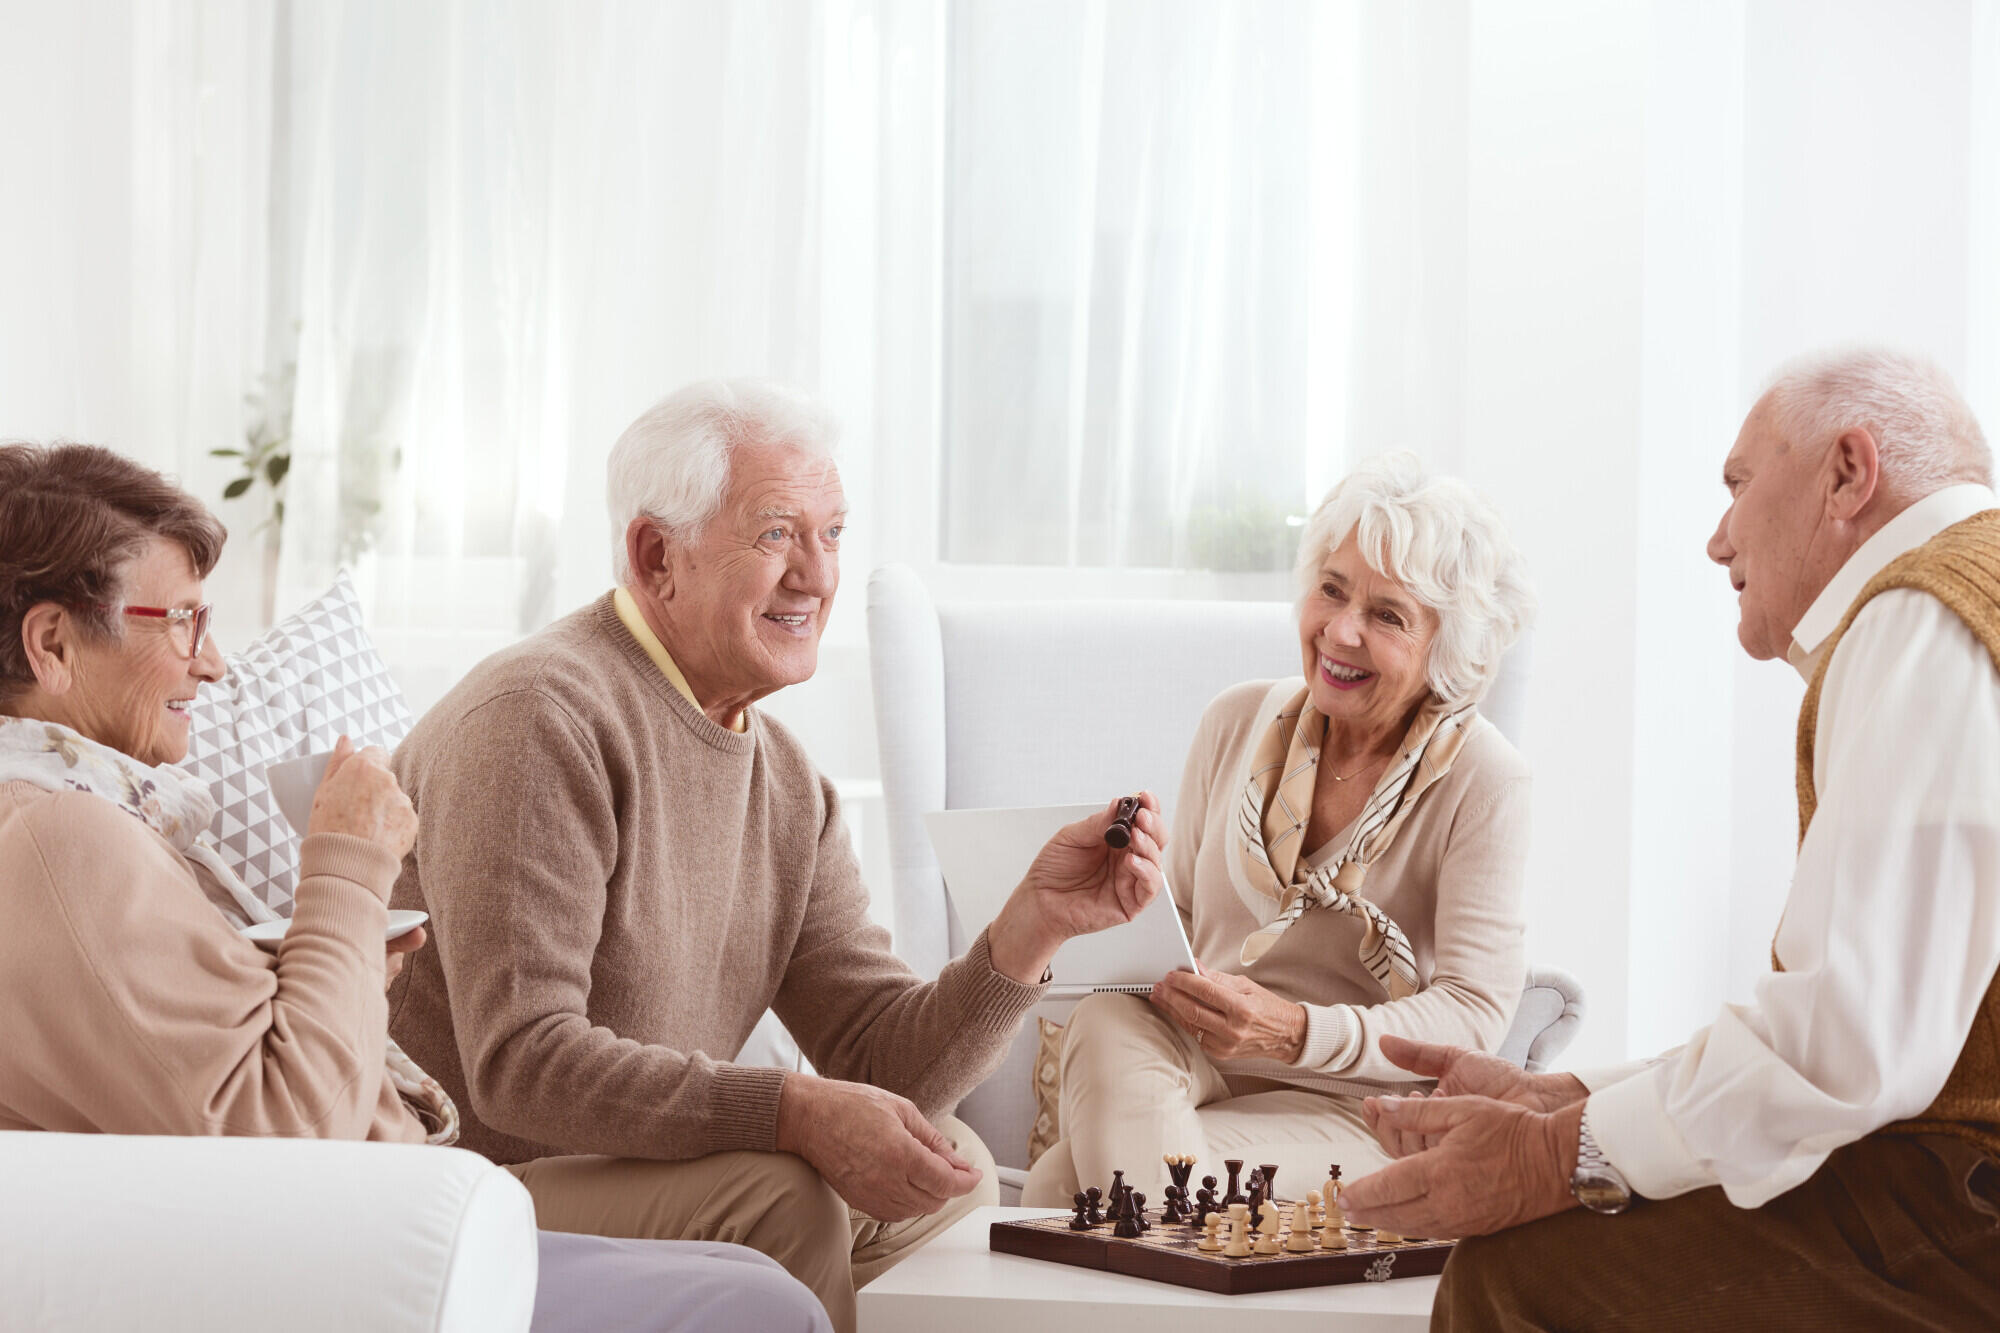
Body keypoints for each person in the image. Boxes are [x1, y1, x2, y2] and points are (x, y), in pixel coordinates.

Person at [385, 379, 1167, 1333]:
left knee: (943, 1165)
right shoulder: (539, 718)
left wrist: (1028, 929)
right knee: (780, 1193)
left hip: (626, 1173)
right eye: (775, 535)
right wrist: (792, 1110)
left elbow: (885, 1063)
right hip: (470, 1188)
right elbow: (524, 1065)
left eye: (831, 534)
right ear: (655, 555)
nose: (817, 576)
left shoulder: (787, 781)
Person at [0, 442, 831, 1333]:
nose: (213, 666)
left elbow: (222, 1080)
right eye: (184, 623)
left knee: (756, 1254)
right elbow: (293, 1142)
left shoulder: (86, 822)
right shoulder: (62, 835)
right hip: (358, 1251)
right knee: (758, 1299)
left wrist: (346, 956)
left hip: (380, 1217)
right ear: (53, 643)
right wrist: (347, 866)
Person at [1343, 348, 2000, 1329]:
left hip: (1958, 1216)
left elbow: (1853, 1046)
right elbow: (1859, 1032)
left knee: (1517, 1275)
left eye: (1737, 483)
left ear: (1847, 473)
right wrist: (1565, 1097)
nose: (1715, 538)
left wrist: (1553, 1154)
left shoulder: (1917, 615)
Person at [1022, 453, 1537, 1209]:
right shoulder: (1235, 720)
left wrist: (1294, 1031)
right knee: (1105, 1021)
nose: (1341, 630)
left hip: (1355, 1104)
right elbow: (1189, 925)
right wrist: (1124, 911)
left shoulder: (1485, 779)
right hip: (1192, 1062)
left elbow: (1472, 1011)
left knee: (1061, 1186)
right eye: (1332, 589)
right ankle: (1176, 1233)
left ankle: (1158, 1225)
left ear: (1447, 652)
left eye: (1387, 615)